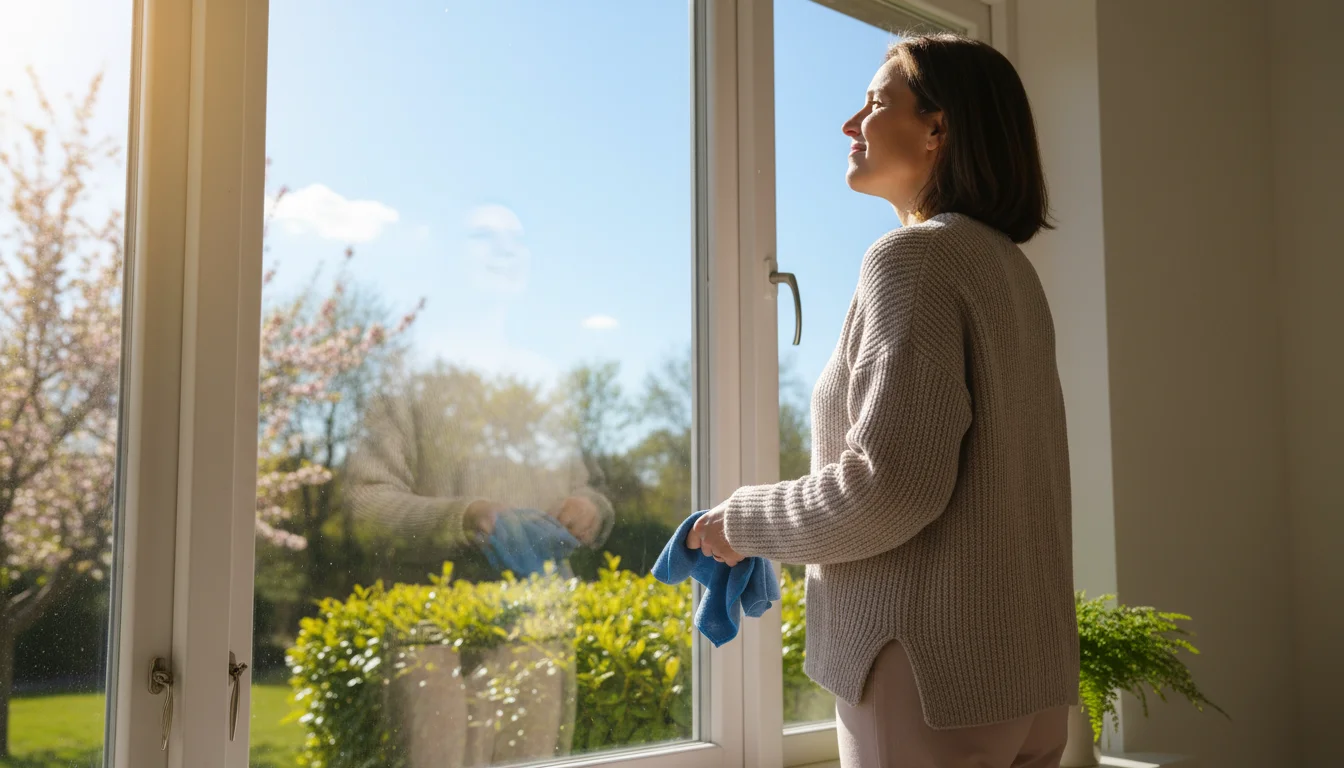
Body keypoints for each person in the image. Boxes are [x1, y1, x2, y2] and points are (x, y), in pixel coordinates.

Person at [687, 34, 1079, 768]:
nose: (850, 124)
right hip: (1027, 680)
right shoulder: (1009, 271)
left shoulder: (916, 257)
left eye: (875, 102)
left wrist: (736, 523)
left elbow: (889, 487)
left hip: (924, 679)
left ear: (938, 129)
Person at [346, 366, 614, 767]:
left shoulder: (543, 393)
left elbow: (592, 485)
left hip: (541, 632)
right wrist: (464, 518)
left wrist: (591, 507)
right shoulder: (406, 387)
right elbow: (364, 508)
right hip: (433, 641)